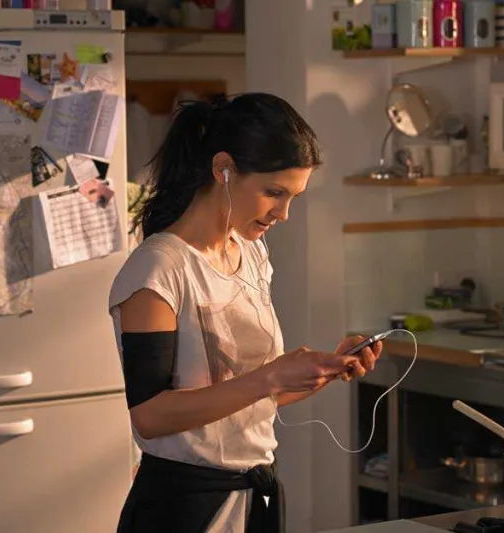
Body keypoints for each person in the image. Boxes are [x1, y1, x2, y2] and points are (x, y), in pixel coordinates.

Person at [107, 92, 384, 533]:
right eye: (274, 193)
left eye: (293, 196)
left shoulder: (250, 254)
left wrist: (325, 369)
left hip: (255, 497)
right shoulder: (157, 269)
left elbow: (250, 398)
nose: (284, 213)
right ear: (224, 169)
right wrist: (271, 376)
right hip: (184, 509)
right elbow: (150, 415)